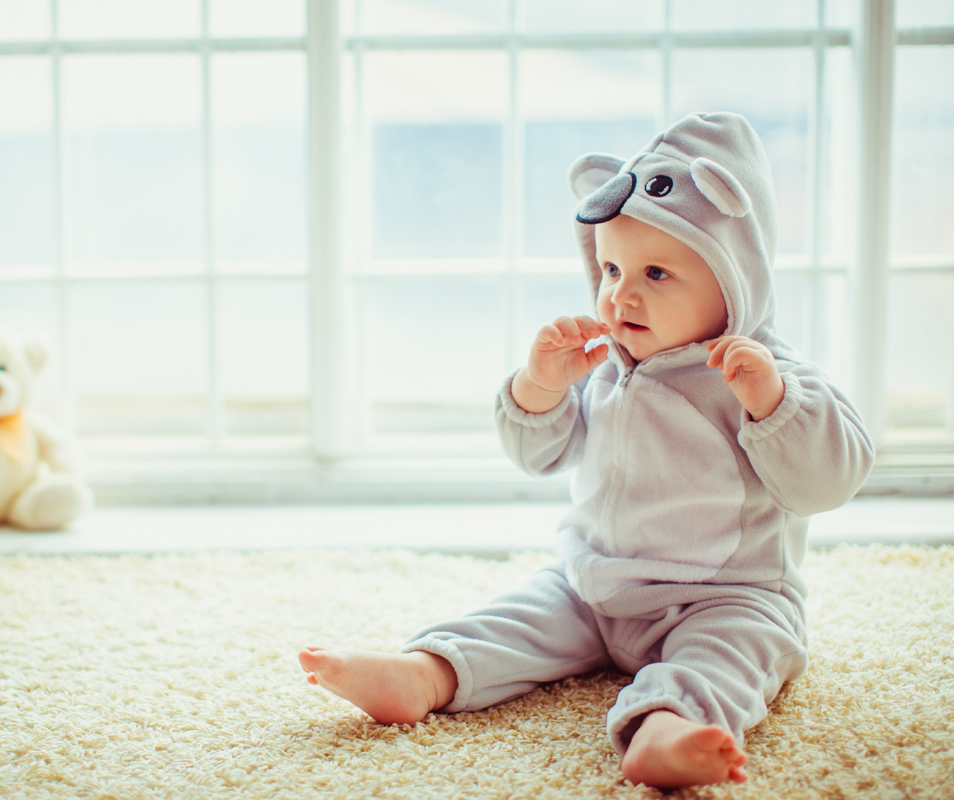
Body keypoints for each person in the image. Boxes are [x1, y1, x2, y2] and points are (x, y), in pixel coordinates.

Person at [299, 112, 875, 789]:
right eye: (608, 267)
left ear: (733, 277)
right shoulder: (610, 363)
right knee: (518, 616)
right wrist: (540, 386)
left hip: (725, 595)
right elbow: (540, 454)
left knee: (734, 655)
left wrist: (774, 404)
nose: (620, 293)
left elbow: (829, 481)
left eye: (656, 273)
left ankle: (666, 727)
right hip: (595, 585)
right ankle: (426, 673)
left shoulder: (762, 372)